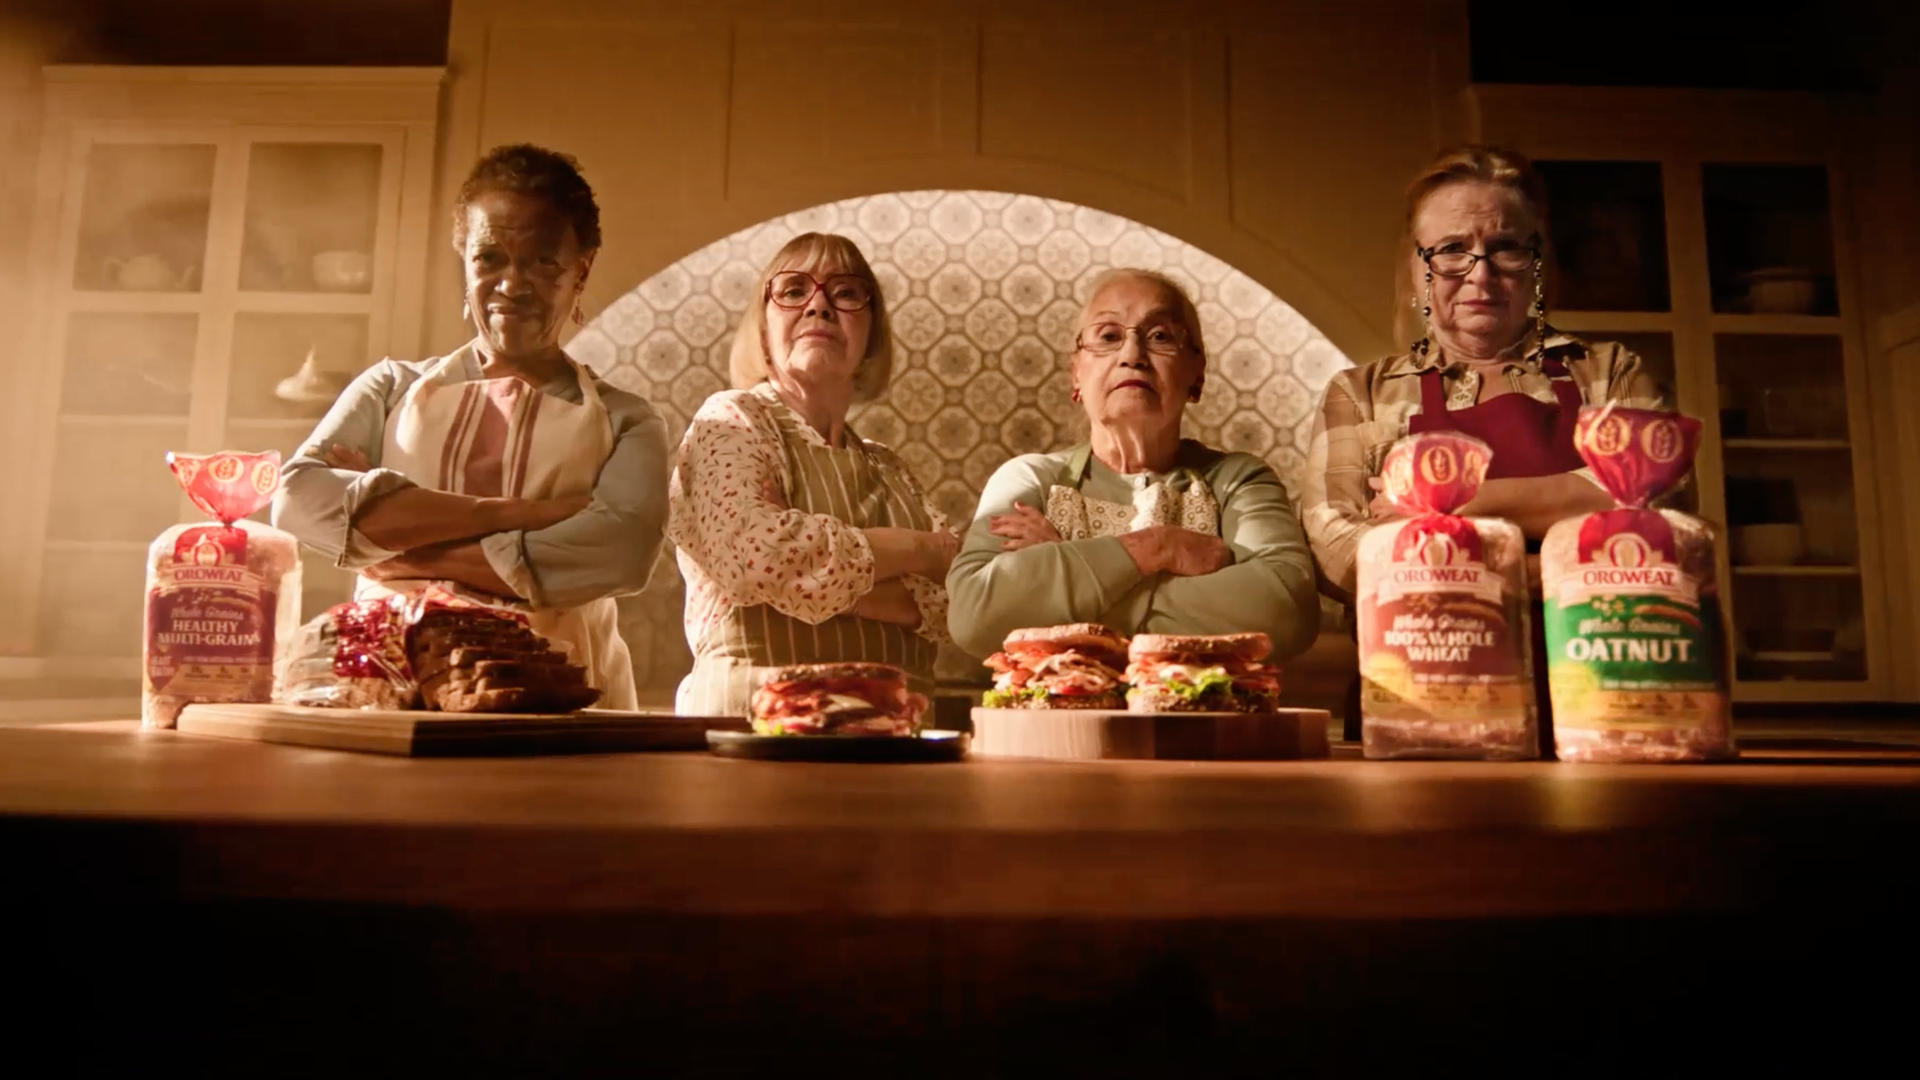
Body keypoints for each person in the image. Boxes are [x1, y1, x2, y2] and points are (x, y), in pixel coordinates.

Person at [1298, 143, 1678, 740]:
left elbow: (1657, 515)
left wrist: (1451, 506)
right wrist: (1558, 541)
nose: (1480, 272)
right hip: (1418, 703)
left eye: (1504, 247)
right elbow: (1336, 548)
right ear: (1418, 269)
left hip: (1606, 700)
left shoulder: (1608, 373)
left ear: (1535, 262)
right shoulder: (1361, 393)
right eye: (1452, 249)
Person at [274, 144, 669, 711]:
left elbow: (620, 554)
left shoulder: (628, 420)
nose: (513, 283)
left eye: (542, 261)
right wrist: (519, 514)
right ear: (464, 261)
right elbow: (297, 502)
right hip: (384, 683)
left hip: (565, 699)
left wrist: (403, 549)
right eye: (490, 259)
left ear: (581, 269)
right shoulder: (386, 388)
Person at [947, 268, 1321, 663]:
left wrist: (1067, 573)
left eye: (1160, 336)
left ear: (1197, 373)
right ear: (1076, 372)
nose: (1132, 356)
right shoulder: (1030, 480)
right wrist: (1157, 547)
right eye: (1108, 336)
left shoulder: (1239, 481)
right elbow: (975, 616)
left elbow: (1286, 611)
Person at [667, 232, 957, 716]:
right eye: (794, 290)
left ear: (871, 337)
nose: (818, 306)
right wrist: (919, 550)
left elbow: (954, 604)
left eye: (845, 293)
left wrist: (798, 574)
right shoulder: (733, 419)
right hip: (751, 734)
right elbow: (755, 554)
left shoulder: (889, 468)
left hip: (891, 741)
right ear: (762, 329)